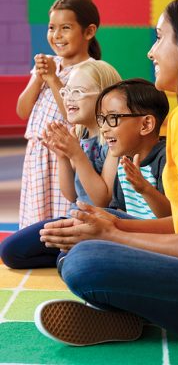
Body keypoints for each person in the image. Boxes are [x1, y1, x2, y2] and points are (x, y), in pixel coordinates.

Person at [34, 0, 178, 346]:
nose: (150, 52)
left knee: (86, 261)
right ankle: (130, 316)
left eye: (160, 37)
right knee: (81, 247)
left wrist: (111, 236)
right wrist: (115, 223)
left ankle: (133, 314)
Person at [0, 60, 121, 269]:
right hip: (74, 216)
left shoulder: (112, 140)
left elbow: (102, 198)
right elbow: (71, 195)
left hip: (102, 223)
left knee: (67, 261)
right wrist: (62, 155)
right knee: (11, 252)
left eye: (79, 92)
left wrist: (76, 154)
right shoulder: (79, 133)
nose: (69, 98)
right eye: (67, 92)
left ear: (105, 96)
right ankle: (70, 255)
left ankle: (76, 256)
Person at [17, 0, 102, 228]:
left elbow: (73, 115)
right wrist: (39, 78)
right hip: (37, 155)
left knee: (62, 219)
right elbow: (22, 111)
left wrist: (53, 78)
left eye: (66, 28)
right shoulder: (47, 65)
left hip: (64, 159)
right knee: (36, 223)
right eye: (52, 28)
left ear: (88, 31)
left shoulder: (90, 70)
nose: (56, 35)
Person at [95, 78, 171, 220]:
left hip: (157, 238)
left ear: (146, 125)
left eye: (113, 118)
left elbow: (174, 218)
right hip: (132, 232)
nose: (103, 128)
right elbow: (120, 211)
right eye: (101, 119)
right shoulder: (124, 160)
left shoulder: (166, 158)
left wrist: (144, 188)